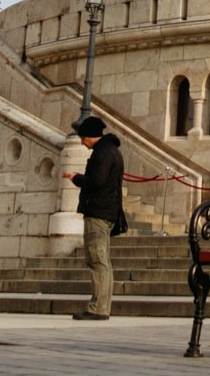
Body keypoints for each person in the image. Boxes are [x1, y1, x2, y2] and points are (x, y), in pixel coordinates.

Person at [61, 116, 123, 320]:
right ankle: (103, 306)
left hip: (98, 212)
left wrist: (76, 178)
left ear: (90, 136)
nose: (81, 142)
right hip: (106, 211)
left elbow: (97, 181)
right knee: (102, 260)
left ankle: (98, 308)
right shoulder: (110, 150)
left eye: (83, 138)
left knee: (97, 260)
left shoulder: (103, 153)